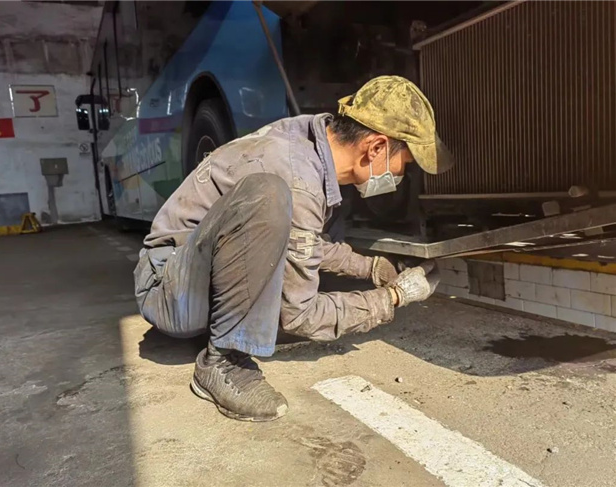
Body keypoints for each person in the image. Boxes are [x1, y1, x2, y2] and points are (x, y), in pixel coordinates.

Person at [134, 76, 454, 422]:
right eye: (404, 163)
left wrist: (373, 268)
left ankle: (230, 339)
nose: (401, 174)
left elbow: (303, 240)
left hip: (190, 275)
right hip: (170, 293)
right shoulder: (296, 179)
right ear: (375, 147)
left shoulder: (309, 143)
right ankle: (224, 361)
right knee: (269, 197)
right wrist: (393, 298)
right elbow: (300, 316)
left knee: (280, 233)